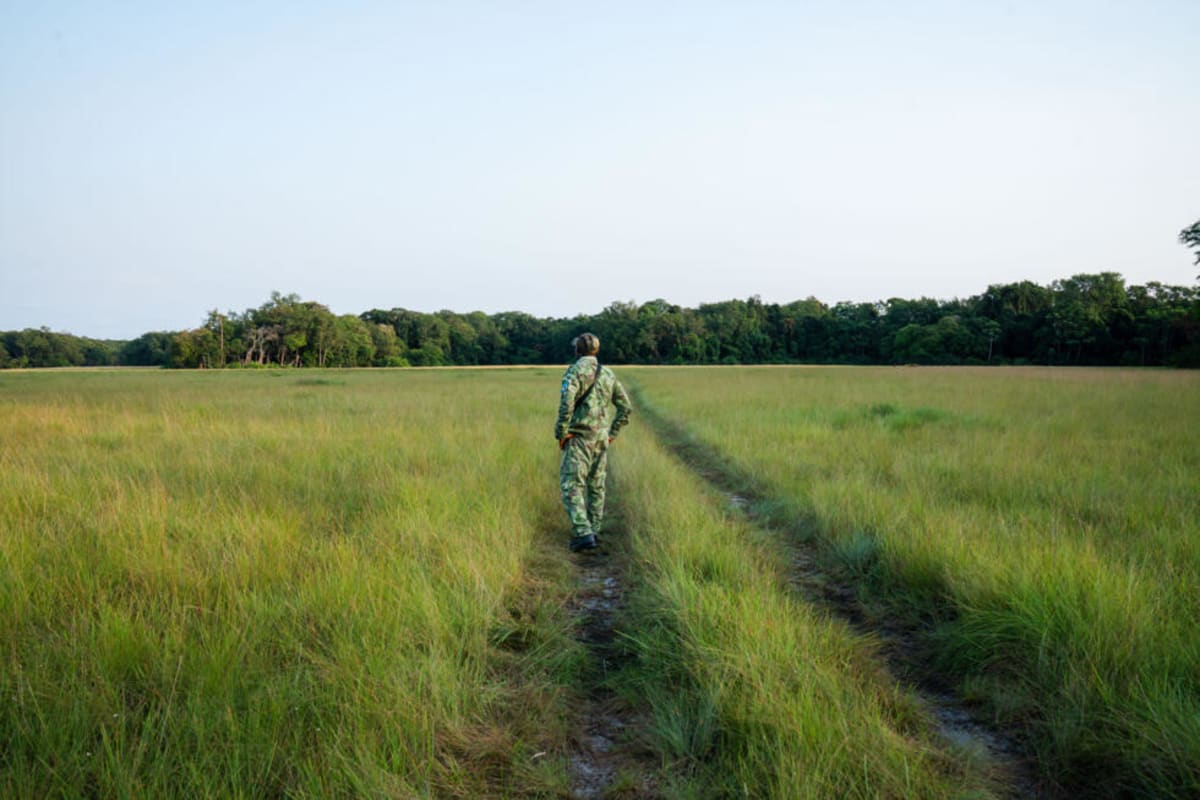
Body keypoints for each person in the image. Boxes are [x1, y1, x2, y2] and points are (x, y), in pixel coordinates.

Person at [554, 333, 632, 552]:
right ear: (596, 351)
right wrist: (611, 433)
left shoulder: (573, 372)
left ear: (577, 351)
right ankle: (594, 531)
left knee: (571, 485)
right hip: (601, 439)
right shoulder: (607, 374)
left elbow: (566, 405)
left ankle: (583, 532)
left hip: (579, 438)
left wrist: (561, 433)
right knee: (596, 486)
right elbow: (626, 408)